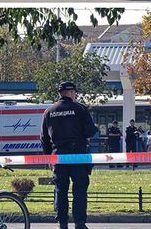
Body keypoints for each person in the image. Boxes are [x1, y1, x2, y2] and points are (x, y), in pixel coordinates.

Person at [41, 81, 97, 229]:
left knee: (60, 190)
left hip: (58, 155)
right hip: (78, 154)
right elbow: (90, 131)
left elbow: (44, 138)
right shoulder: (79, 109)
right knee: (79, 189)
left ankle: (62, 223)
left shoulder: (49, 111)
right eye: (75, 93)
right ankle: (79, 223)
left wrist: (48, 158)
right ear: (71, 92)